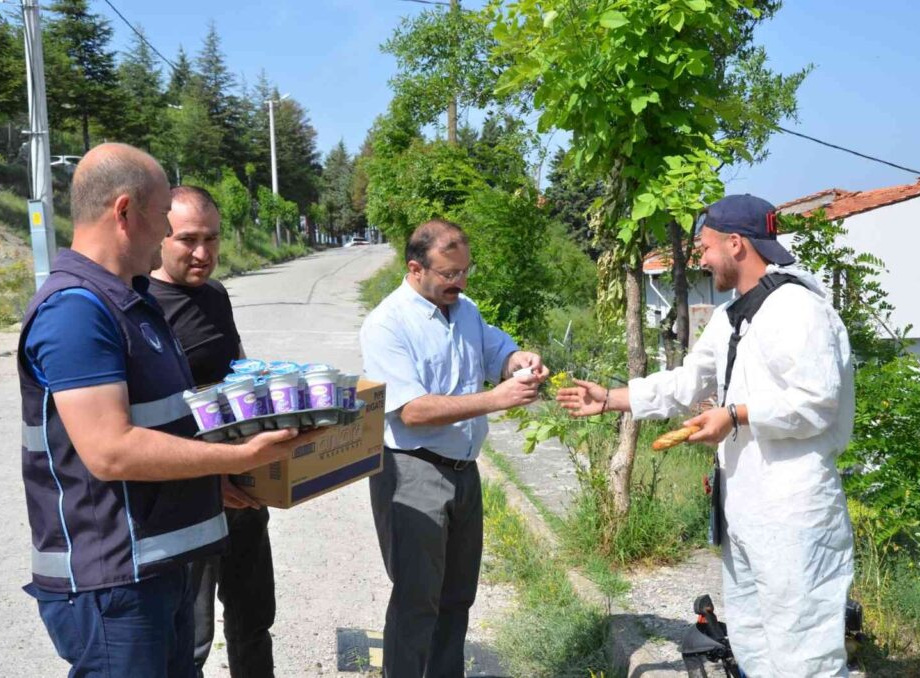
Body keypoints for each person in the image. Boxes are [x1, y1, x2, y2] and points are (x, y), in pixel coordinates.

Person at [18, 143, 312, 677]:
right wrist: (238, 458)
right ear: (125, 212)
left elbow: (177, 417)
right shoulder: (76, 311)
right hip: (116, 581)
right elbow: (110, 451)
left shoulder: (130, 302)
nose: (164, 231)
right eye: (161, 216)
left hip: (157, 567)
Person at [558, 194, 855, 678]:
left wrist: (734, 416)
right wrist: (610, 398)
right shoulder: (732, 316)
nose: (701, 258)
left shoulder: (798, 309)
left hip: (793, 514)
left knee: (804, 656)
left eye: (706, 247)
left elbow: (816, 402)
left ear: (736, 244)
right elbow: (687, 382)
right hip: (745, 511)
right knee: (754, 644)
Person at [360, 219, 549, 677]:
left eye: (465, 271)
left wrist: (517, 361)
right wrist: (495, 399)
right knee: (417, 600)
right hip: (412, 472)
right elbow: (412, 411)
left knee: (457, 598)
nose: (460, 282)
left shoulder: (465, 311)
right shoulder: (387, 324)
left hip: (464, 471)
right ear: (415, 269)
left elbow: (495, 352)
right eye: (449, 274)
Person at [148, 186, 276, 678]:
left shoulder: (217, 295)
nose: (202, 253)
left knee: (253, 618)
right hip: (189, 497)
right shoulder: (142, 305)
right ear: (160, 237)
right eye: (188, 239)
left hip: (243, 488)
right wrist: (207, 475)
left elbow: (237, 370)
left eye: (212, 239)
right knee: (191, 638)